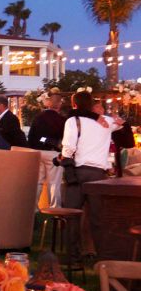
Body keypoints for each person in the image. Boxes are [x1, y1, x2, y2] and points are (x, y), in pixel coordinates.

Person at [60, 90, 114, 259]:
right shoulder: (107, 122)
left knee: (72, 213)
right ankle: (102, 253)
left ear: (74, 104)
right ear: (91, 105)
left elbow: (68, 147)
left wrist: (65, 163)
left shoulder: (73, 121)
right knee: (98, 217)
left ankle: (73, 254)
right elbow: (122, 125)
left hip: (78, 171)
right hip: (99, 174)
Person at [29, 91, 66, 207]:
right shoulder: (62, 120)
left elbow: (32, 137)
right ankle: (55, 208)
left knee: (38, 182)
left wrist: (40, 142)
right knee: (54, 182)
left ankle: (32, 208)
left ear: (48, 103)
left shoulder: (38, 118)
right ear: (60, 104)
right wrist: (54, 143)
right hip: (53, 153)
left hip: (37, 152)